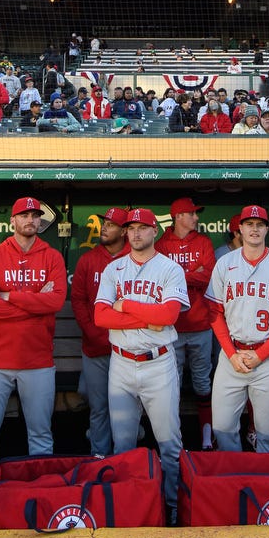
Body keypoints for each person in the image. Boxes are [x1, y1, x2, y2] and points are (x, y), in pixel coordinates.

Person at [0, 196, 67, 530]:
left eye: (35, 215)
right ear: (12, 221)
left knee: (41, 437)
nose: (31, 220)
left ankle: (43, 506)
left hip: (37, 360)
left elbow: (55, 301)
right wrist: (34, 301)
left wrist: (12, 296)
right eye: (24, 215)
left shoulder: (51, 256)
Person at [93, 207, 190, 519]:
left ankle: (173, 506)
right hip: (120, 365)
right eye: (130, 228)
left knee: (169, 444)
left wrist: (126, 307)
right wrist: (147, 319)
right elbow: (100, 317)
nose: (135, 233)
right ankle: (129, 506)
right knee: (123, 447)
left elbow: (169, 316)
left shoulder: (169, 268)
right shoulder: (113, 270)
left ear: (154, 232)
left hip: (158, 364)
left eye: (142, 228)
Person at [205, 205, 269, 453]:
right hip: (232, 356)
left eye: (260, 224)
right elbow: (214, 313)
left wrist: (261, 355)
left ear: (267, 229)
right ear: (239, 228)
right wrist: (230, 353)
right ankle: (233, 483)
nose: (254, 229)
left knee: (268, 435)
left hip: (268, 358)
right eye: (249, 224)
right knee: (223, 429)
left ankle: (266, 488)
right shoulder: (224, 264)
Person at [156, 196, 218, 451]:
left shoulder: (203, 241)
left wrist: (179, 276)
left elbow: (210, 276)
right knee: (174, 385)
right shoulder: (161, 245)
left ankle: (207, 439)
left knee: (203, 382)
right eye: (192, 214)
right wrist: (195, 274)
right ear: (178, 216)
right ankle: (175, 440)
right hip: (173, 328)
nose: (196, 217)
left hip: (201, 324)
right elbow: (161, 281)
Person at [71, 207, 131, 454]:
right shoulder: (88, 259)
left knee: (126, 408)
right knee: (99, 407)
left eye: (112, 224)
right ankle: (99, 458)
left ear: (124, 231)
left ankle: (125, 459)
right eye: (104, 223)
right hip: (95, 347)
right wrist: (92, 331)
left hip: (127, 347)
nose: (104, 228)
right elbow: (78, 299)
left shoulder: (135, 258)